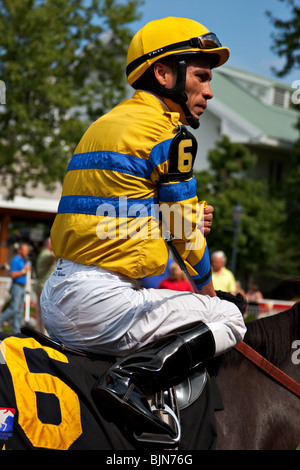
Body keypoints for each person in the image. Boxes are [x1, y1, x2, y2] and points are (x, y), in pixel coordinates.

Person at [41, 17, 246, 435]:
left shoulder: (102, 125)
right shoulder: (170, 135)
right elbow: (183, 234)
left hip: (57, 294)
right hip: (102, 302)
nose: (209, 91)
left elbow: (109, 213)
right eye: (202, 76)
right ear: (165, 73)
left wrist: (178, 215)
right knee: (228, 318)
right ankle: (132, 382)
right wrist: (209, 291)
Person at [0, 243, 31, 333]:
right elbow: (13, 275)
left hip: (22, 287)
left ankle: (16, 332)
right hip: (16, 286)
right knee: (14, 309)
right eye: (25, 250)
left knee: (19, 311)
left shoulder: (23, 260)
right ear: (20, 250)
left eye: (27, 250)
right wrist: (23, 271)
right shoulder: (16, 260)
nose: (26, 252)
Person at [34, 237, 56, 333]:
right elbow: (55, 255)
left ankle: (39, 334)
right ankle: (44, 336)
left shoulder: (42, 254)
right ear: (49, 244)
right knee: (46, 314)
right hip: (44, 288)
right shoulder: (46, 254)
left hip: (40, 286)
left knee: (40, 313)